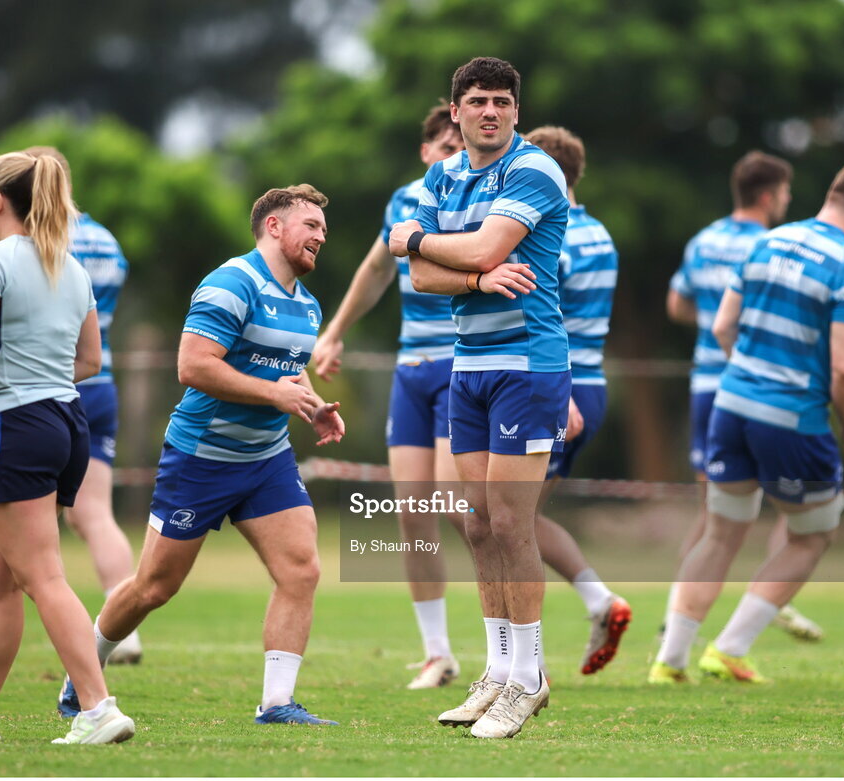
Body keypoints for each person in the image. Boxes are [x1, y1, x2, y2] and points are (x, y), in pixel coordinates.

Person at [56, 184, 344, 727]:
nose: (320, 236)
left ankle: (277, 704)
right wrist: (276, 394)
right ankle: (85, 668)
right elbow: (193, 366)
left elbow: (287, 365)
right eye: (310, 225)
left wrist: (310, 406)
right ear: (274, 227)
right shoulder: (230, 283)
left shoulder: (307, 305)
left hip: (266, 459)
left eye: (323, 230)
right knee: (154, 586)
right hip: (202, 458)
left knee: (301, 569)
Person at [0, 151, 135, 744]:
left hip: (16, 423)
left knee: (42, 577)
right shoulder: (70, 265)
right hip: (68, 421)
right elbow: (90, 360)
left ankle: (97, 709)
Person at [651, 163, 844, 684]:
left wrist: (749, 374)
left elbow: (721, 325)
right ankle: (730, 648)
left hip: (730, 405)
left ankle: (669, 661)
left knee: (719, 533)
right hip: (790, 417)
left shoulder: (768, 241)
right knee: (814, 532)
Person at [389, 57, 568, 739]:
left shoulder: (533, 169)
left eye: (501, 101)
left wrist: (418, 238)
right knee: (476, 524)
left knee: (511, 522)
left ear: (516, 112)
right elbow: (428, 278)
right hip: (469, 366)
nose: (490, 110)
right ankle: (496, 671)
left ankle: (530, 677)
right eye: (477, 101)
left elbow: (485, 244)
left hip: (528, 364)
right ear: (455, 113)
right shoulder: (443, 174)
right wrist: (470, 277)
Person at [312, 102, 466, 690]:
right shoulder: (404, 203)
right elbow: (376, 270)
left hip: (463, 364)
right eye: (445, 147)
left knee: (462, 506)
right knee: (413, 514)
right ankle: (438, 653)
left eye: (462, 147)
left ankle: (514, 649)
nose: (454, 156)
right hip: (412, 369)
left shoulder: (483, 197)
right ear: (426, 152)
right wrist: (334, 334)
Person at [664, 150, 824, 643]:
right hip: (758, 386)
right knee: (797, 507)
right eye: (786, 193)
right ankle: (774, 597)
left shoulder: (702, 240)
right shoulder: (776, 244)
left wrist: (711, 321)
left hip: (705, 385)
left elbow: (676, 304)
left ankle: (677, 615)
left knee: (712, 513)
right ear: (769, 195)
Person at [523, 125, 631, 677]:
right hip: (591, 382)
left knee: (503, 521)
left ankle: (522, 665)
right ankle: (598, 602)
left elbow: (546, 321)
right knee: (520, 517)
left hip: (559, 386)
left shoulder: (553, 233)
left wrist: (556, 391)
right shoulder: (601, 234)